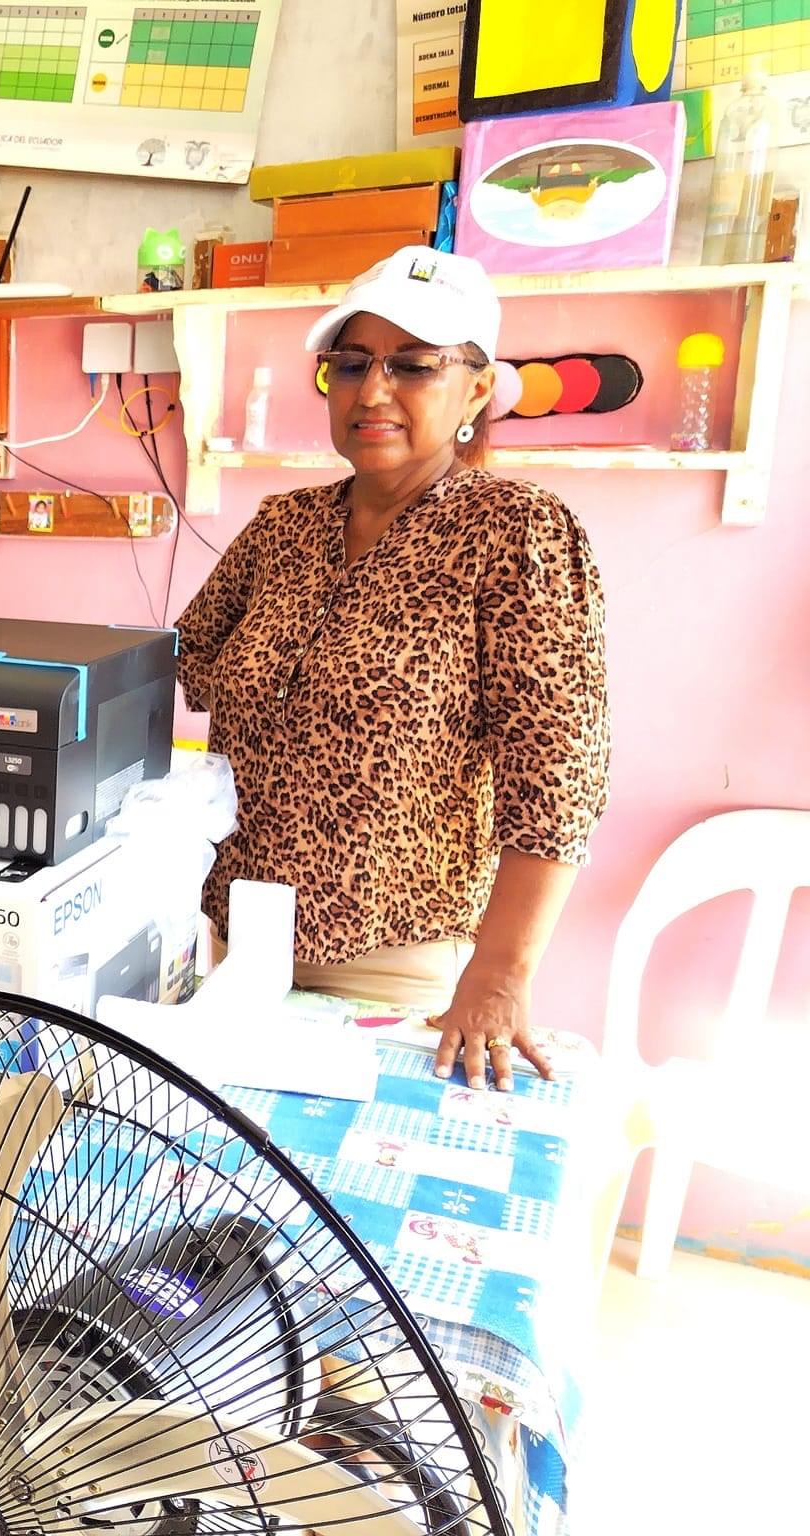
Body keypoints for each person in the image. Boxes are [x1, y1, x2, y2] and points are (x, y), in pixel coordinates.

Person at [177, 245, 609, 1094]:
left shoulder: (517, 532)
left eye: (413, 366)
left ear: (476, 391)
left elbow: (558, 779)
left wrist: (501, 975)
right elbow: (181, 664)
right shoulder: (283, 526)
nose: (372, 392)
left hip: (394, 962)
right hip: (232, 939)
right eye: (350, 364)